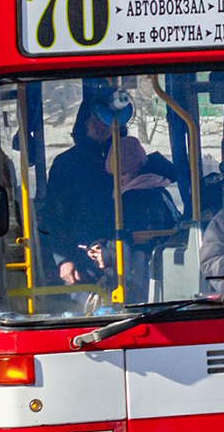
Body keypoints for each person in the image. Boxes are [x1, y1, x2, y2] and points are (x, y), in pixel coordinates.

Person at [38, 85, 176, 286]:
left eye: (111, 121)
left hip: (131, 260)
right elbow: (53, 217)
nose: (104, 127)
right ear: (84, 122)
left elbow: (148, 214)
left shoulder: (129, 157)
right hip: (82, 262)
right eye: (97, 120)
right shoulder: (66, 165)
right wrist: (63, 259)